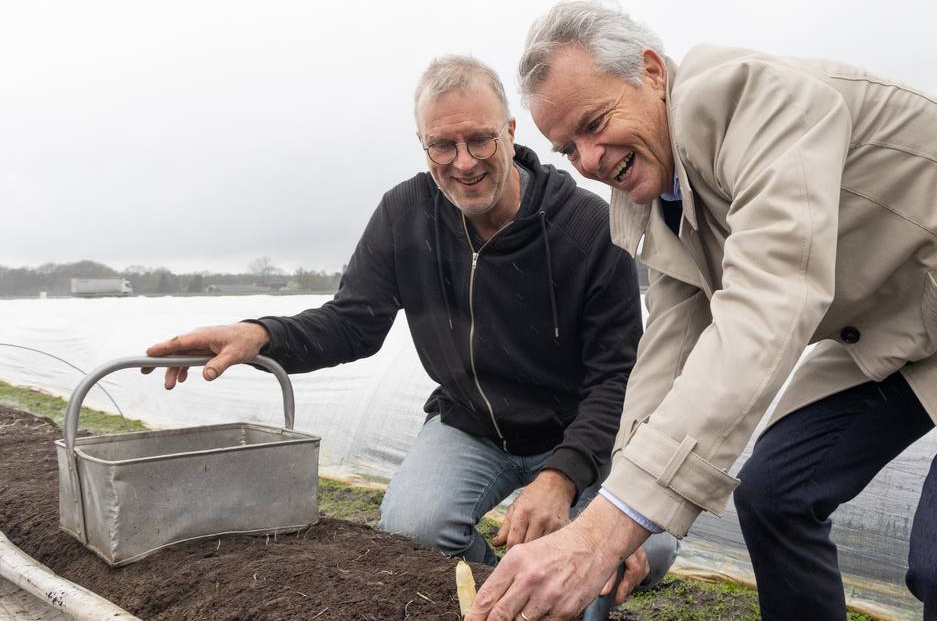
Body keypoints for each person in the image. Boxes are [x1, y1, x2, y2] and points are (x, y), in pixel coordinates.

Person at [466, 1, 937, 621]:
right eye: (567, 149)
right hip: (910, 317)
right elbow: (672, 345)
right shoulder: (649, 188)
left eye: (595, 123)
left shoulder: (754, 99)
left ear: (652, 72)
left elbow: (768, 304)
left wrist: (603, 533)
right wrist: (620, 511)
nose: (589, 158)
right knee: (775, 493)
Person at [143, 55, 678, 606]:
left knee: (642, 543)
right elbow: (353, 322)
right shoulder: (406, 214)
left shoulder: (587, 226)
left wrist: (563, 477)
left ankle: (579, 566)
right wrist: (260, 334)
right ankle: (517, 582)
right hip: (474, 426)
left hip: (579, 430)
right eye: (442, 146)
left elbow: (614, 376)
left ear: (511, 132)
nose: (463, 163)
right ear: (423, 145)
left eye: (480, 140)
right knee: (411, 531)